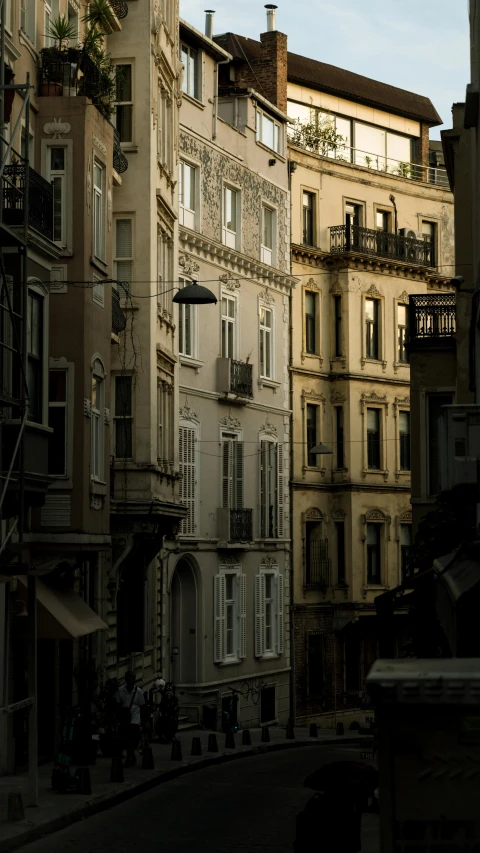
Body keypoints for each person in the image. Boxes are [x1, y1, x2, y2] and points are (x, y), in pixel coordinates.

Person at [116, 671, 145, 767]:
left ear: (134, 679)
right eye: (128, 679)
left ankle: (129, 759)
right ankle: (132, 757)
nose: (130, 681)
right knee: (127, 740)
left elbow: (142, 707)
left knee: (132, 739)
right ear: (125, 679)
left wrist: (143, 722)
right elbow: (117, 704)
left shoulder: (139, 692)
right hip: (125, 720)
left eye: (131, 679)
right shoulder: (120, 691)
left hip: (135, 720)